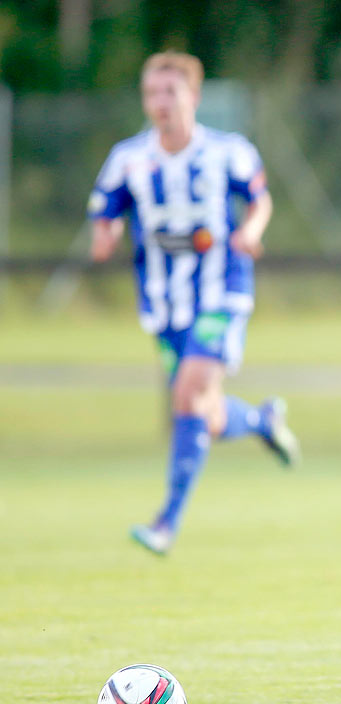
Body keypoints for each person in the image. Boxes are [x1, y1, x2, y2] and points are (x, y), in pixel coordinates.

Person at [89, 51, 299, 556]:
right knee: (200, 412)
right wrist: (106, 235)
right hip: (164, 308)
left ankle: (166, 522)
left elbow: (259, 199)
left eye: (170, 92)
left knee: (187, 396)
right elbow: (105, 209)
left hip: (221, 293)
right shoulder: (129, 158)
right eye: (151, 94)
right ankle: (261, 421)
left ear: (193, 97)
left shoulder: (227, 151)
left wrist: (250, 230)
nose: (160, 103)